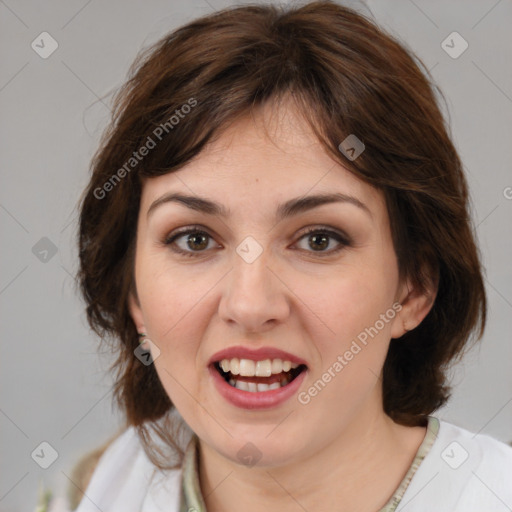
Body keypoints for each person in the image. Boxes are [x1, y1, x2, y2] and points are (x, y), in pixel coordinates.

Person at [46, 1, 512, 511]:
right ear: (132, 289)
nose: (250, 305)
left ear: (414, 287)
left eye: (319, 240)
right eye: (195, 239)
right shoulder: (86, 492)